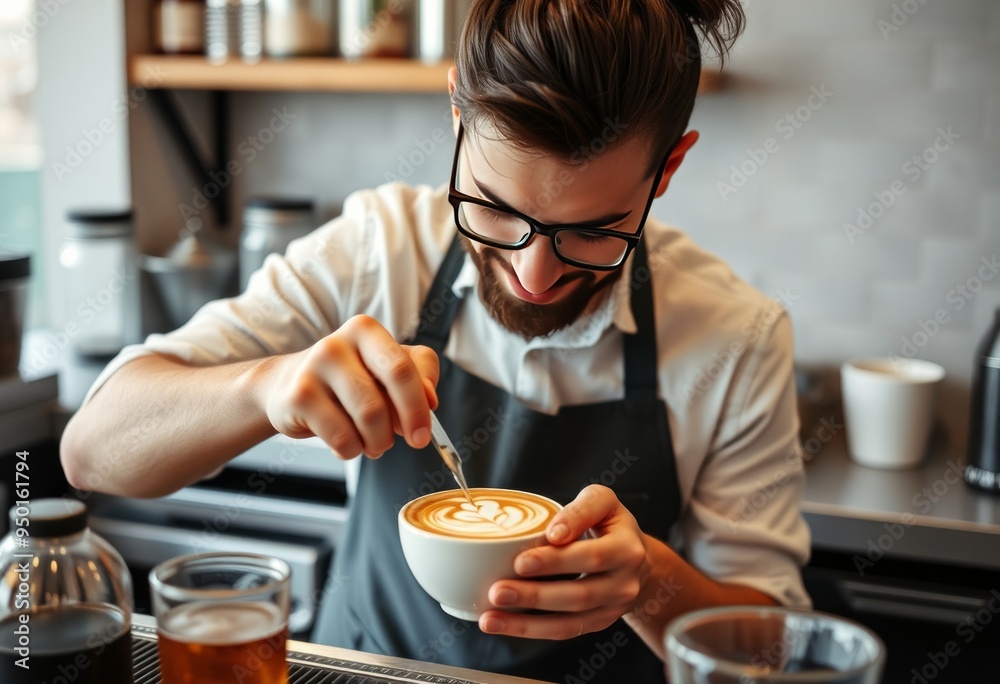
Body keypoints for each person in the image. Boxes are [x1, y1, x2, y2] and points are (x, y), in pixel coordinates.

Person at [61, 0, 811, 681]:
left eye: (592, 230)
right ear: (458, 114)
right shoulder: (379, 248)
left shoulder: (734, 336)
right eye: (492, 207)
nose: (532, 274)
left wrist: (651, 582)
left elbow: (770, 651)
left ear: (668, 168)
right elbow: (92, 452)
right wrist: (266, 386)